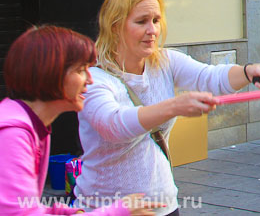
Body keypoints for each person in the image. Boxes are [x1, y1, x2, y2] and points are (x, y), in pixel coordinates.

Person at [76, 0, 260, 216]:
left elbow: (209, 77)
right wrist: (175, 106)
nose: (152, 30)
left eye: (156, 20)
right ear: (114, 26)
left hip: (163, 204)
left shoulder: (164, 61)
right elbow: (114, 125)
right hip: (107, 208)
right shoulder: (94, 79)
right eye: (141, 21)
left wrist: (248, 72)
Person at [0, 26, 158, 215]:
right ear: (51, 73)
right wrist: (115, 211)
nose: (90, 80)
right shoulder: (13, 133)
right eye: (82, 70)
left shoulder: (27, 123)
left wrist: (60, 212)